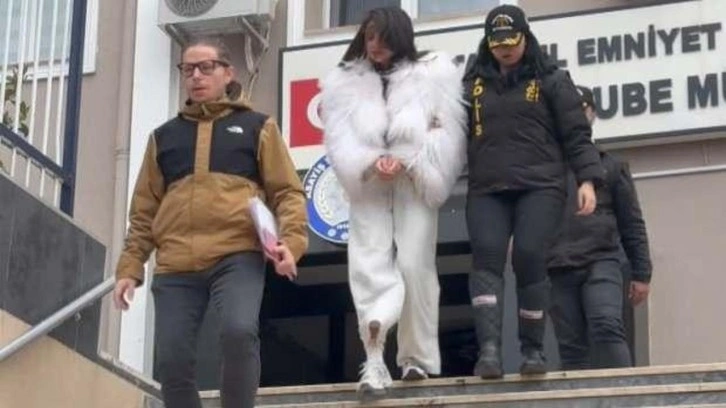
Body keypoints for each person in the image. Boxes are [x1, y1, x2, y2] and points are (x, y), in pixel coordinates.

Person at [112, 36, 308, 408]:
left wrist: (292, 242)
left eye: (206, 67)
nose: (196, 76)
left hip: (236, 255)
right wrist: (129, 267)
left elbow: (287, 192)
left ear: (228, 73)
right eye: (188, 69)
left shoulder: (258, 126)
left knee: (238, 331)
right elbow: (143, 212)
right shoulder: (163, 138)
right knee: (172, 361)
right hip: (174, 265)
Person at [320, 6, 467, 398]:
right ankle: (374, 357)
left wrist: (409, 161)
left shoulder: (434, 74)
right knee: (368, 264)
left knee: (415, 265)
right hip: (370, 188)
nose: (375, 45)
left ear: (400, 37)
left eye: (383, 37)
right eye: (369, 37)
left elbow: (447, 132)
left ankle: (416, 357)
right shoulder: (344, 82)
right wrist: (370, 163)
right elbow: (339, 139)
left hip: (414, 183)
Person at [463, 4, 605, 378]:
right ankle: (489, 351)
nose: (505, 50)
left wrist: (587, 180)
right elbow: (449, 134)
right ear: (487, 43)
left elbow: (577, 134)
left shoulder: (552, 79)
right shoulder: (471, 84)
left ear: (526, 37)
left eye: (512, 42)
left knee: (528, 254)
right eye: (498, 44)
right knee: (486, 258)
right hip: (487, 187)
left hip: (540, 186)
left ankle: (533, 350)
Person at [547, 85, 652, 370]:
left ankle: (625, 393)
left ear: (592, 114)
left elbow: (632, 222)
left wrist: (642, 273)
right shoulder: (542, 168)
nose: (575, 115)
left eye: (581, 109)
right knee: (571, 347)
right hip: (556, 265)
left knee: (606, 325)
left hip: (602, 260)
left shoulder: (611, 166)